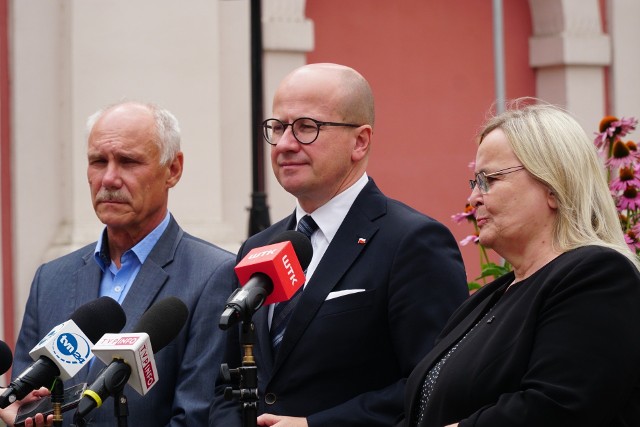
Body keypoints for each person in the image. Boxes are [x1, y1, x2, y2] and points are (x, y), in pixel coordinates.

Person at [210, 63, 469, 426]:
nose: (285, 144)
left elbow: (436, 382)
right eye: (278, 127)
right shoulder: (258, 247)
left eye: (306, 128)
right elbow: (230, 381)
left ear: (360, 141)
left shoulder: (412, 242)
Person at [399, 101, 640, 427]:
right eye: (475, 182)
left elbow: (555, 407)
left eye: (490, 180)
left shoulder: (598, 277)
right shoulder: (488, 299)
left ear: (554, 186)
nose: (473, 199)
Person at [11, 101, 236, 426]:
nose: (109, 178)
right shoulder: (51, 278)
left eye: (128, 162)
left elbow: (194, 417)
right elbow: (27, 401)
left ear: (172, 170)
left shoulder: (212, 274)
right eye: (98, 161)